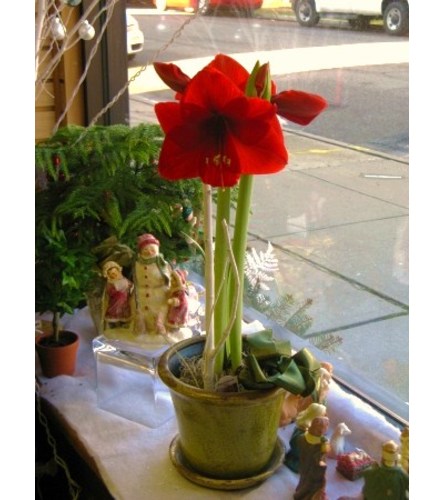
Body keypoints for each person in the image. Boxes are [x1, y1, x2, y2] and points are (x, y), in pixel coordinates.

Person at [133, 234, 172, 335]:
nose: (149, 252)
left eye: (152, 249)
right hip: (141, 295)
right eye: (145, 249)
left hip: (159, 294)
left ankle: (159, 329)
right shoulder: (137, 264)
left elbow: (170, 279)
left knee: (159, 312)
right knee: (142, 314)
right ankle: (142, 330)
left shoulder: (162, 264)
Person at [293, 416, 330, 500]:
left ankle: (299, 491)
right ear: (321, 430)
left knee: (303, 479)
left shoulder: (302, 437)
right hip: (314, 469)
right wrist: (325, 443)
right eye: (326, 427)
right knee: (312, 485)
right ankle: (302, 496)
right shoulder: (320, 444)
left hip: (303, 463)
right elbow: (324, 453)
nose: (327, 429)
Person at [284, 402, 327, 473]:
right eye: (323, 415)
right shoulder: (303, 431)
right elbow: (295, 444)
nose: (325, 417)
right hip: (297, 458)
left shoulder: (311, 431)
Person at [101, 261, 134, 330]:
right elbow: (109, 292)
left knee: (124, 312)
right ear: (108, 275)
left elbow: (130, 285)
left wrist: (131, 287)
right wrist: (117, 292)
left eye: (115, 272)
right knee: (114, 312)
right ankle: (113, 324)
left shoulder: (124, 279)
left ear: (119, 272)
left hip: (125, 301)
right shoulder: (110, 283)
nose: (114, 275)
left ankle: (123, 324)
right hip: (115, 302)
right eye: (112, 274)